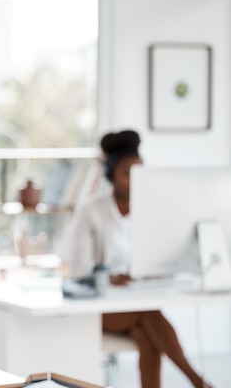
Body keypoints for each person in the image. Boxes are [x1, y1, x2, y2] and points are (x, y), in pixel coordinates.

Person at [62, 130, 212, 388]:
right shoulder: (91, 212)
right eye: (126, 173)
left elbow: (171, 256)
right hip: (100, 307)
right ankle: (198, 382)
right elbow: (77, 269)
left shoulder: (154, 211)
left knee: (147, 334)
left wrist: (158, 269)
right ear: (111, 175)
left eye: (139, 172)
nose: (134, 180)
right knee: (149, 314)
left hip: (140, 299)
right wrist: (108, 277)